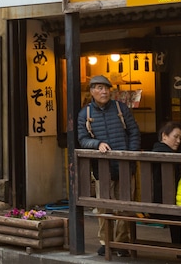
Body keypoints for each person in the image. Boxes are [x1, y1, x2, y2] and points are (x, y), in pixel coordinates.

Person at [77, 74, 141, 258]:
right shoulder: (85, 114)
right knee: (103, 206)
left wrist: (130, 154)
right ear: (91, 91)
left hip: (124, 165)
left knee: (125, 205)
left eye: (106, 88)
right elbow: (82, 139)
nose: (103, 91)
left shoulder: (121, 109)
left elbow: (134, 132)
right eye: (98, 88)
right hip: (101, 167)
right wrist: (97, 144)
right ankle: (106, 242)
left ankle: (121, 242)